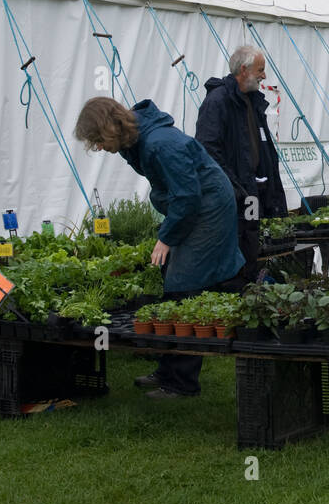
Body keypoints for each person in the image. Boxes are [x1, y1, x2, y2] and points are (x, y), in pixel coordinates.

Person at [74, 96, 243, 399]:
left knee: (184, 285)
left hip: (208, 206)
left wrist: (166, 238)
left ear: (109, 128)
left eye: (98, 140)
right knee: (173, 282)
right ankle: (167, 371)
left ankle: (181, 382)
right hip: (195, 202)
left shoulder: (159, 143)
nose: (98, 148)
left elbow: (188, 196)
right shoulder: (135, 140)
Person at [195, 45, 289, 286]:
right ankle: (233, 295)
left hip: (251, 192)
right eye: (260, 70)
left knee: (250, 239)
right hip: (231, 194)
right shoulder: (218, 102)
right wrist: (233, 186)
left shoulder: (252, 102)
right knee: (232, 242)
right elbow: (207, 149)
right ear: (244, 69)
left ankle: (248, 288)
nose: (264, 76)